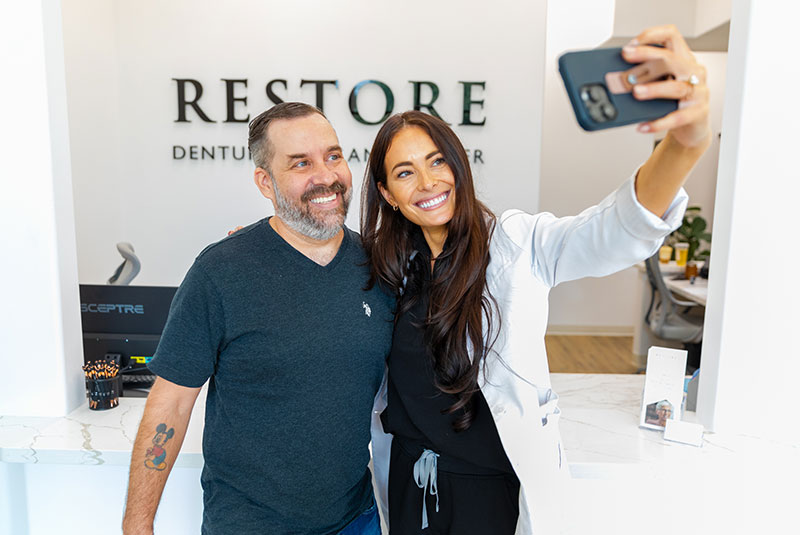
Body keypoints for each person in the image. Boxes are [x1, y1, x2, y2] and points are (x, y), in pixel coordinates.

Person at [361, 25, 711, 534]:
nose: (428, 182)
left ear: (459, 166)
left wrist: (684, 145)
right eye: (405, 172)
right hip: (410, 481)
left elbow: (613, 231)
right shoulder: (386, 268)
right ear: (389, 194)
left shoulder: (519, 243)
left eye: (438, 161)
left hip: (489, 489)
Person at [122, 102, 394, 535]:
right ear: (265, 182)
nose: (325, 176)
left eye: (333, 155)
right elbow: (171, 402)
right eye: (301, 163)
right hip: (247, 524)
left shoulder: (378, 268)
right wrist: (137, 525)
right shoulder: (221, 272)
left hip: (355, 520)